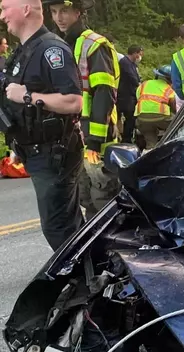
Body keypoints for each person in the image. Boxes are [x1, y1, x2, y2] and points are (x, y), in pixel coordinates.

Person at [0, 0, 84, 250]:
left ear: (26, 9)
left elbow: (73, 101)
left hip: (53, 153)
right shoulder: (24, 50)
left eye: (5, 8)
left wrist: (27, 95)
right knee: (68, 225)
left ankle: (82, 280)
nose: (2, 15)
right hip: (35, 151)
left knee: (59, 228)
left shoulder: (51, 49)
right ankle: (94, 276)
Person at [45, 0, 121, 217]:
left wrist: (95, 140)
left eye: (64, 11)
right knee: (85, 198)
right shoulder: (58, 46)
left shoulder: (94, 44)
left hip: (96, 135)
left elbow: (104, 93)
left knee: (103, 199)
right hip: (72, 136)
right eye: (54, 12)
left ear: (78, 12)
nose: (59, 17)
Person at [135, 65, 176, 150]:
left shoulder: (144, 84)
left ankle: (149, 154)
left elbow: (138, 98)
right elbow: (174, 107)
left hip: (142, 120)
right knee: (178, 124)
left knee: (151, 144)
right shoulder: (168, 89)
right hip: (162, 119)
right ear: (170, 79)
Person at [117, 44, 141, 143]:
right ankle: (126, 139)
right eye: (139, 54)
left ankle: (127, 137)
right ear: (135, 53)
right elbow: (133, 78)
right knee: (129, 118)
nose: (139, 57)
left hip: (129, 95)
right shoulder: (125, 62)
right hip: (124, 96)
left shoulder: (132, 64)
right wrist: (140, 85)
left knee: (130, 119)